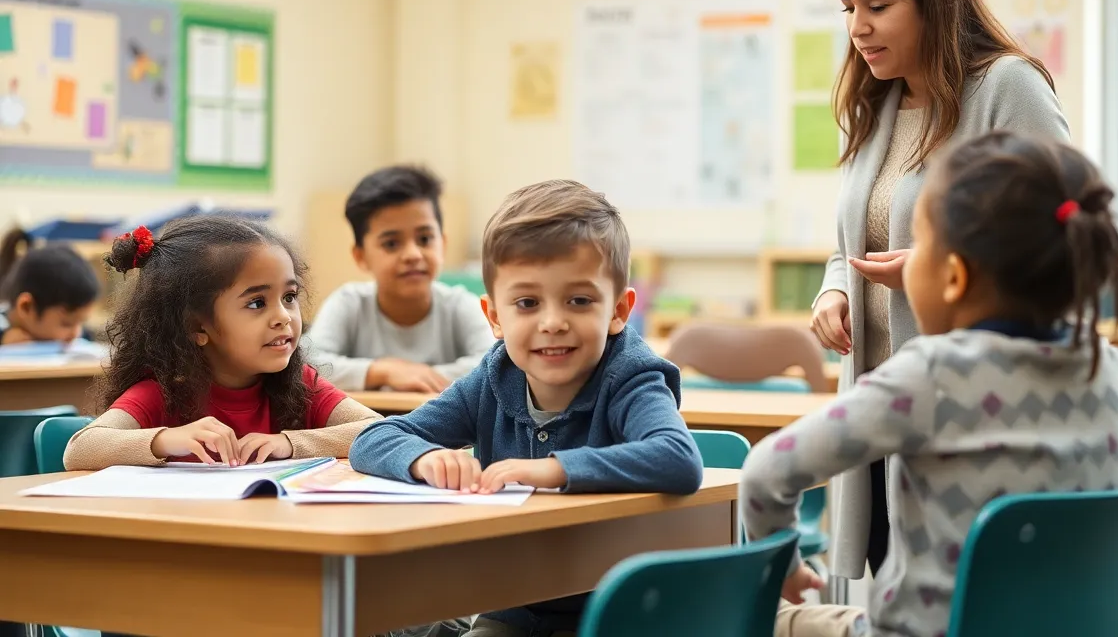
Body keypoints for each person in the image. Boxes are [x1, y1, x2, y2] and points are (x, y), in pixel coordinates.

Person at [744, 132, 1118, 637]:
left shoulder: (932, 375)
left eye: (916, 245)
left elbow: (766, 474)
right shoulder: (1111, 371)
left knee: (757, 618)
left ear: (953, 277)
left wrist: (784, 569)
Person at [807, 0, 1071, 584]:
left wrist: (936, 269)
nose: (857, 27)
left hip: (972, 412)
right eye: (847, 7)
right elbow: (857, 239)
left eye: (877, 5)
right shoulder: (882, 103)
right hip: (881, 403)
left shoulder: (1007, 89)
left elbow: (1060, 240)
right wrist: (837, 285)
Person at [351, 179, 703, 637]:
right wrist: (421, 457)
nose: (553, 322)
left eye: (579, 300)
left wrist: (555, 470)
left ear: (618, 310)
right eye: (527, 303)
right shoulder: (494, 380)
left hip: (618, 611)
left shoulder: (630, 378)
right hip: (513, 605)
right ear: (495, 317)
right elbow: (372, 439)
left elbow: (678, 458)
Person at [62, 216, 381, 469]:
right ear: (196, 326)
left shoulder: (301, 385)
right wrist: (168, 440)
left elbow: (378, 431)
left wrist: (291, 443)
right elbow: (79, 449)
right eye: (257, 303)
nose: (283, 316)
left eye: (289, 296)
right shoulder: (162, 393)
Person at [306, 165, 495, 392]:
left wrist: (417, 376)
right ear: (361, 256)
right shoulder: (349, 303)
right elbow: (305, 363)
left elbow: (494, 363)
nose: (413, 255)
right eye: (392, 244)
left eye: (424, 239)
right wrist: (383, 371)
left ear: (442, 245)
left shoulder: (460, 305)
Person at [0, 227, 100, 346]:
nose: (75, 334)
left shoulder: (77, 335)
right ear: (26, 307)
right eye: (66, 323)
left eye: (81, 323)